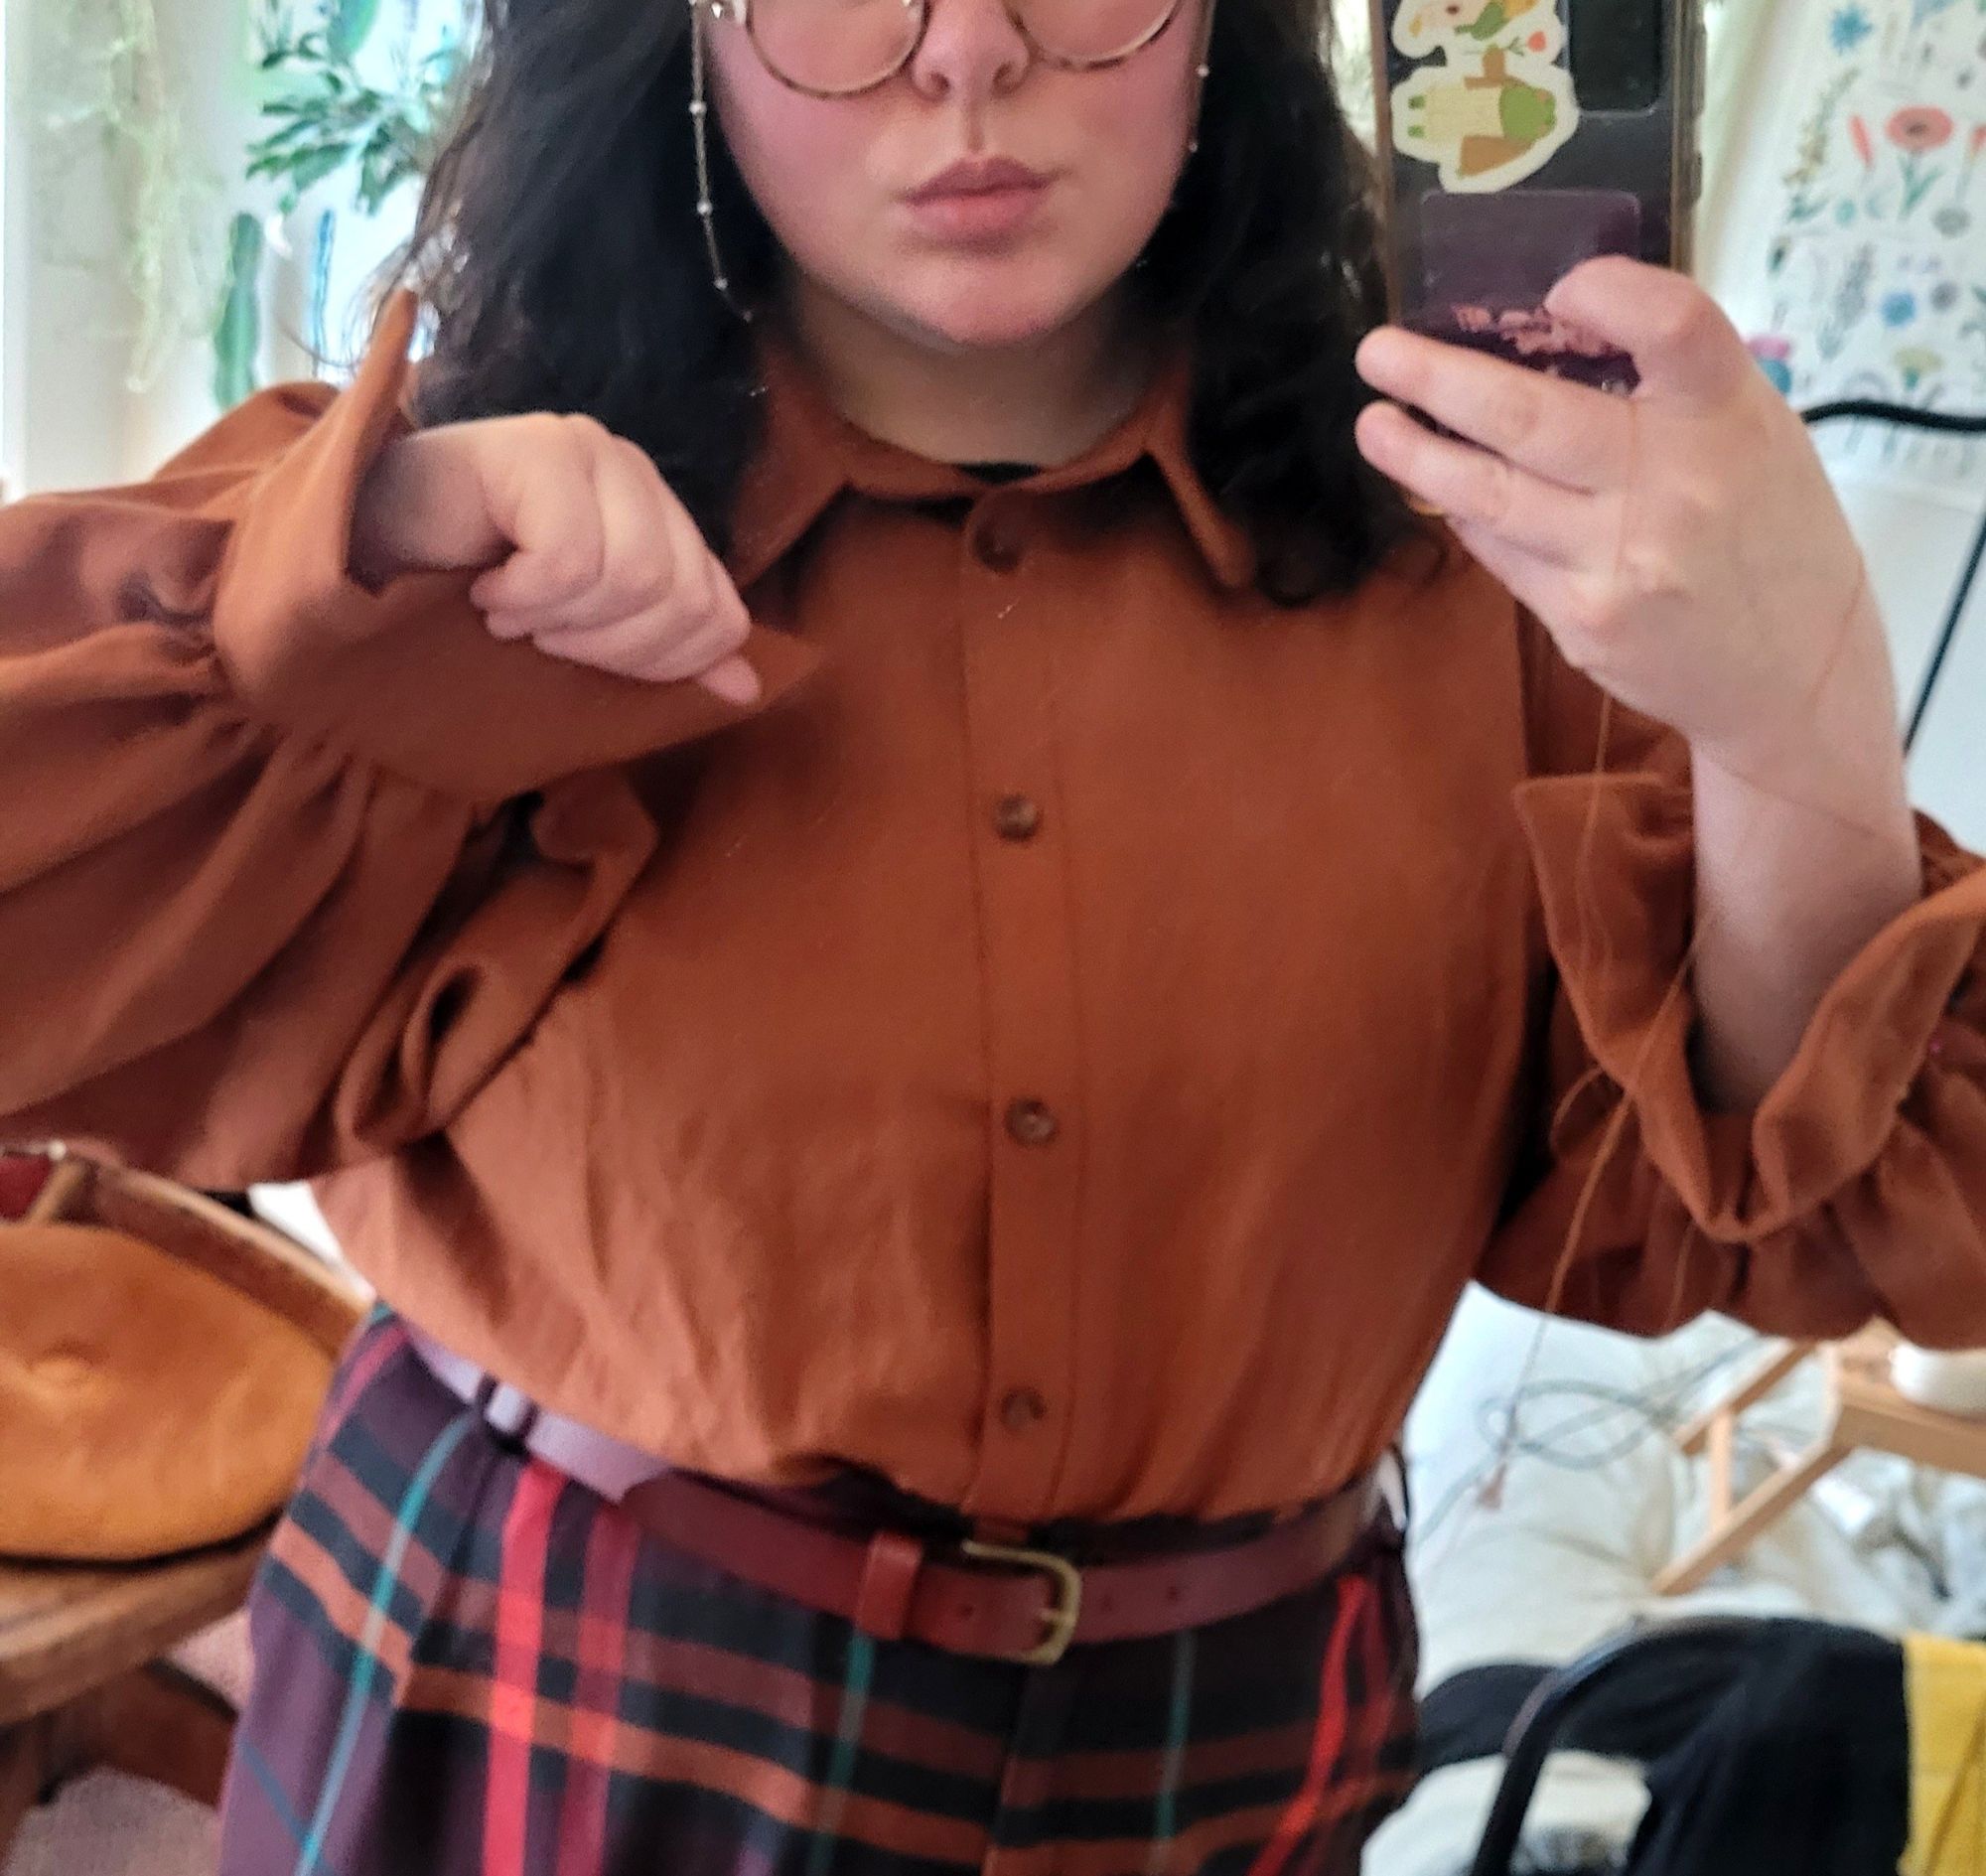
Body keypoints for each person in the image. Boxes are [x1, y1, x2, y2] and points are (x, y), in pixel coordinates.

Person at [0, 0, 1981, 1866]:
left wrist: (1785, 702)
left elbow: (1808, 1204)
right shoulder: (434, 537)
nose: (965, 56)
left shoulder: (1488, 568)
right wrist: (350, 597)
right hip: (539, 1689)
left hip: (1226, 1755)